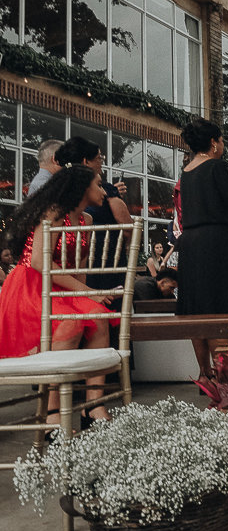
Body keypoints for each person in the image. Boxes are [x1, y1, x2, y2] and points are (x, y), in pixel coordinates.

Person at [0, 165, 118, 424]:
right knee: (70, 323)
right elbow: (40, 263)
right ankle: (53, 415)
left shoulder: (87, 220)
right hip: (32, 284)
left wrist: (88, 297)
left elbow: (80, 268)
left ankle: (93, 405)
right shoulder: (54, 212)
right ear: (83, 187)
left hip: (63, 286)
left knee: (98, 316)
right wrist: (88, 292)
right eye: (98, 185)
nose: (103, 191)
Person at [176, 120, 228, 377]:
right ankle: (227, 373)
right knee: (223, 306)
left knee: (198, 309)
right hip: (218, 243)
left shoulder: (186, 172)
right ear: (213, 142)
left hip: (191, 243)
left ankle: (204, 371)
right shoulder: (218, 167)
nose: (222, 146)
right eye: (221, 141)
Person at [55, 137, 133, 283]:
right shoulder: (107, 191)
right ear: (86, 161)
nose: (102, 161)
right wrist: (124, 246)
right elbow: (127, 226)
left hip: (80, 266)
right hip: (104, 258)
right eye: (99, 157)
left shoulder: (59, 193)